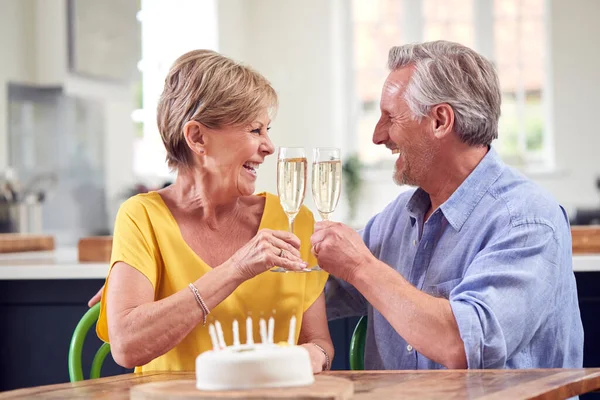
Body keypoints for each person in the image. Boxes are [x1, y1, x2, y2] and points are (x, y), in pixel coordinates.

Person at [311, 41, 583, 370]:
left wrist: (360, 266)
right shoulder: (397, 218)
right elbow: (314, 293)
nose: (377, 136)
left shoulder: (527, 221)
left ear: (440, 121)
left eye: (390, 118)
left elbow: (465, 345)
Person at [96, 49, 333, 373]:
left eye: (268, 130)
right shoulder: (143, 217)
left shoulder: (293, 220)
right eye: (255, 130)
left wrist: (315, 355)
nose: (268, 146)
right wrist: (236, 268)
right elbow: (126, 346)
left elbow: (320, 342)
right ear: (197, 137)